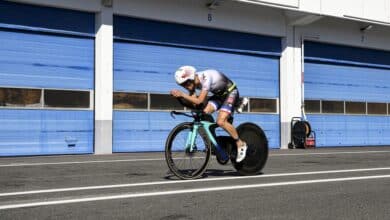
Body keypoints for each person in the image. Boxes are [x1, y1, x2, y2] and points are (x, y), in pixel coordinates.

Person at [170, 66, 248, 162]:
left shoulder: (205, 78)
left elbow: (199, 101)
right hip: (219, 96)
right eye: (182, 85)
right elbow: (195, 104)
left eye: (186, 83)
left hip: (231, 92)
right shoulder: (192, 84)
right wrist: (179, 98)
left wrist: (182, 94)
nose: (185, 87)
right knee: (203, 113)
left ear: (192, 78)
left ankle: (240, 143)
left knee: (220, 122)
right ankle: (215, 142)